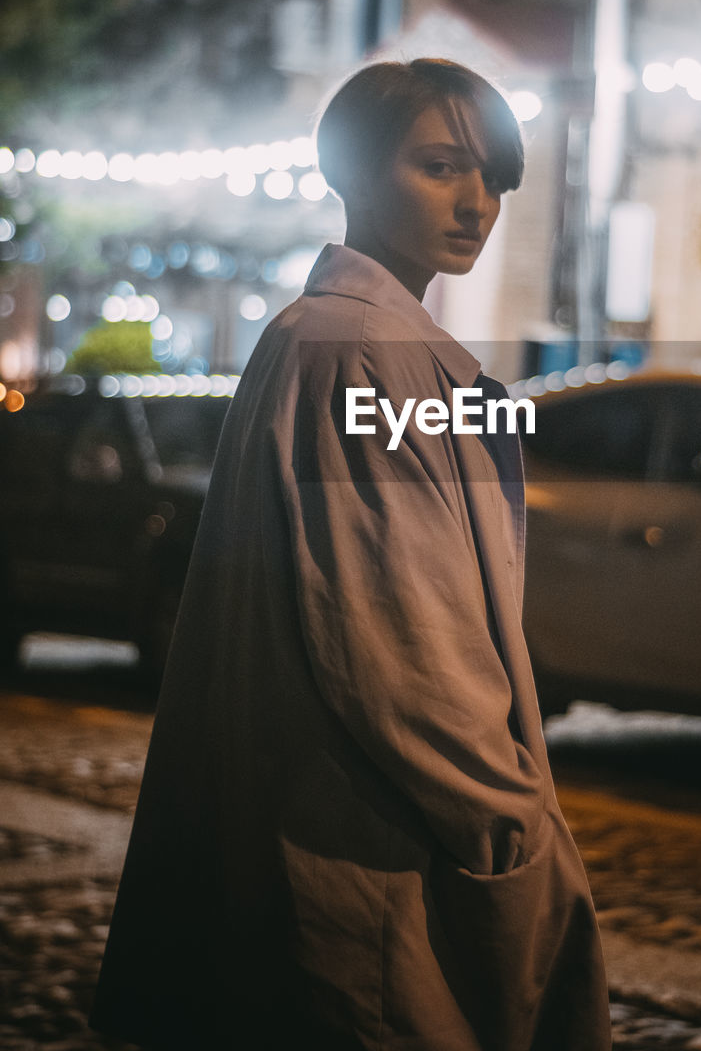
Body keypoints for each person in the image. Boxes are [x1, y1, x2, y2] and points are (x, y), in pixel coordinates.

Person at [90, 58, 611, 1051]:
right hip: (372, 852)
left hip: (343, 833)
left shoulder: (336, 338)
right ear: (356, 173)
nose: (477, 201)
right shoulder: (360, 351)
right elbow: (399, 638)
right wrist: (512, 829)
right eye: (439, 166)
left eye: (493, 176)